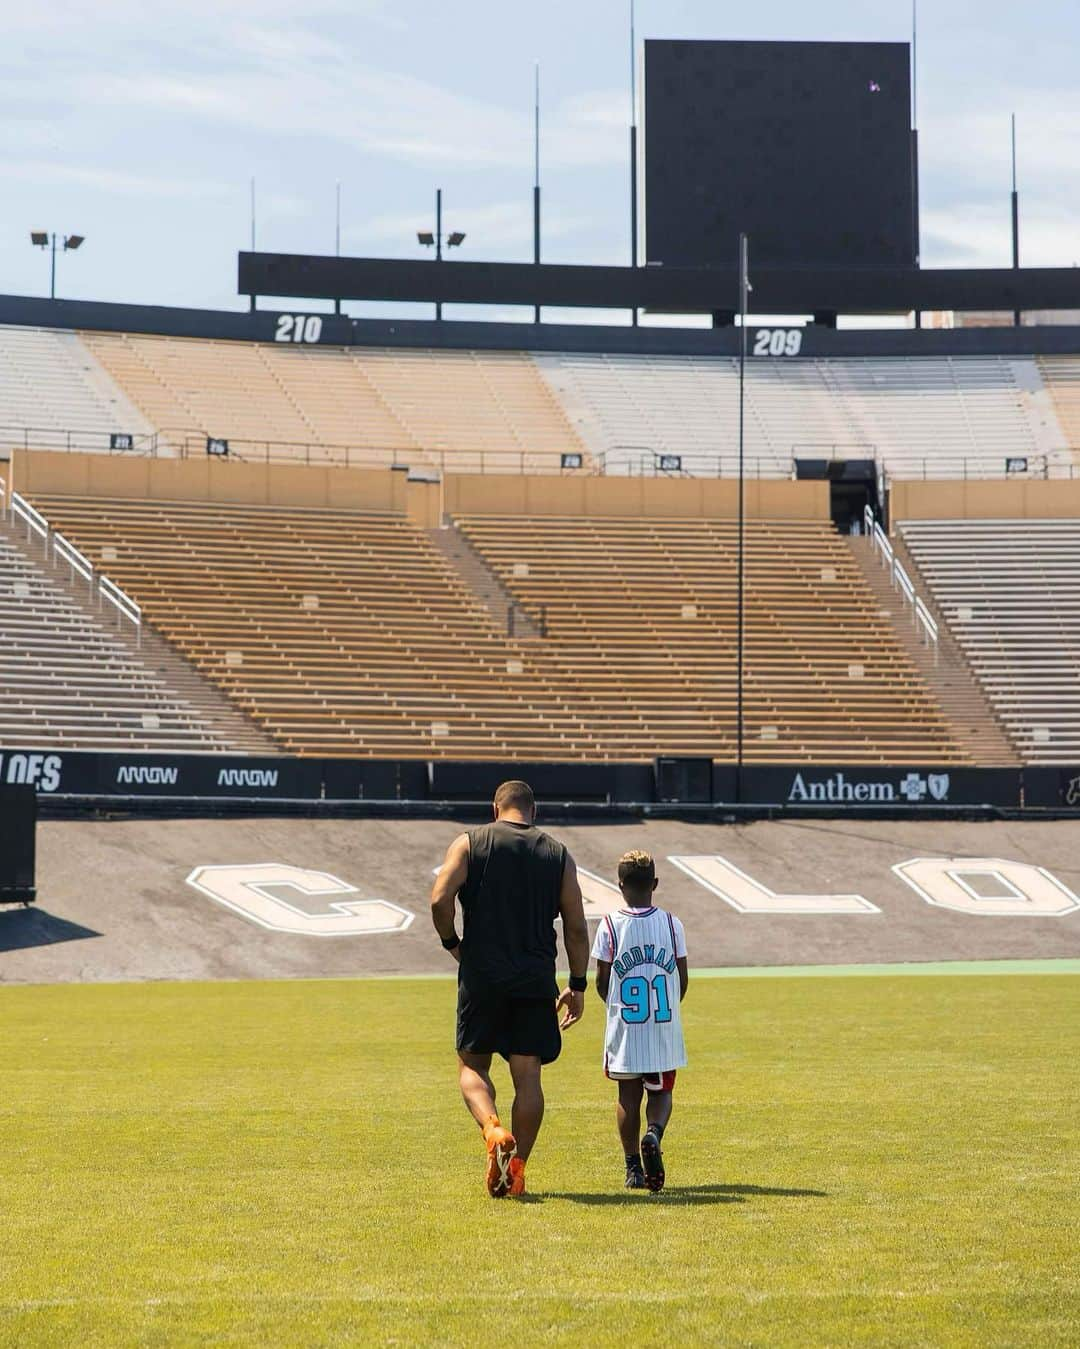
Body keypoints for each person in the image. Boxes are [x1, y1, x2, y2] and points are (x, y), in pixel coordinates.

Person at [431, 779, 590, 1198]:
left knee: (472, 1067)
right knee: (529, 1077)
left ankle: (492, 1129)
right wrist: (577, 984)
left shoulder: (470, 842)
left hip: (482, 975)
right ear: (533, 811)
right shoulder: (556, 854)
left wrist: (453, 944)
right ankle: (516, 1169)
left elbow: (439, 899)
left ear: (495, 808)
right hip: (534, 978)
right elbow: (575, 925)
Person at [593, 850, 688, 1193]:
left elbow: (602, 982)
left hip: (626, 1027)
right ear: (655, 884)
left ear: (620, 885)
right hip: (662, 1024)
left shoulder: (609, 925)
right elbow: (682, 978)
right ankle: (655, 1133)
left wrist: (617, 1005)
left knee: (627, 1095)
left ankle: (633, 1167)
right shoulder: (671, 923)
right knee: (661, 1091)